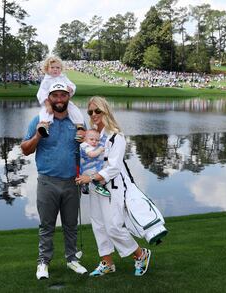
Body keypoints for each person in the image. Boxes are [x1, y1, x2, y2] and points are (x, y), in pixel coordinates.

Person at [75, 96, 152, 277]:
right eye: (90, 112)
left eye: (97, 111)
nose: (94, 115)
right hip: (94, 186)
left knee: (113, 227)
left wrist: (92, 177)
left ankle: (141, 254)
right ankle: (107, 262)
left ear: (106, 111)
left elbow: (114, 167)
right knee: (98, 225)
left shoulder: (116, 136)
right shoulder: (91, 136)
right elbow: (85, 156)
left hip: (112, 186)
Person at [21, 81, 87, 280]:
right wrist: (39, 135)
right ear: (49, 97)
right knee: (46, 226)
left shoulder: (78, 122)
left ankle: (72, 260)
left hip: (71, 182)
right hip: (47, 182)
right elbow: (25, 150)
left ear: (68, 97)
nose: (59, 99)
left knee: (71, 225)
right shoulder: (39, 120)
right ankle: (43, 263)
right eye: (55, 95)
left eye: (63, 95)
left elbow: (90, 149)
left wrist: (86, 141)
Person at [36, 56, 84, 137]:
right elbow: (41, 93)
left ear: (61, 69)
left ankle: (79, 126)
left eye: (58, 67)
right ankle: (44, 126)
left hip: (63, 101)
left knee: (74, 109)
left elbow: (72, 85)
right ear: (47, 69)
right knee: (45, 112)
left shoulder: (63, 77)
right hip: (50, 102)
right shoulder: (46, 80)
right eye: (52, 67)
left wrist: (70, 88)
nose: (55, 69)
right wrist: (47, 105)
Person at [79, 129, 111, 197]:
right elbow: (92, 154)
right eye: (91, 139)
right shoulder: (85, 146)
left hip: (88, 168)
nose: (94, 142)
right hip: (87, 168)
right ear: (85, 139)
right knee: (101, 175)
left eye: (97, 140)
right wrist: (100, 150)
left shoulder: (91, 145)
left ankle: (85, 186)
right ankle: (99, 187)